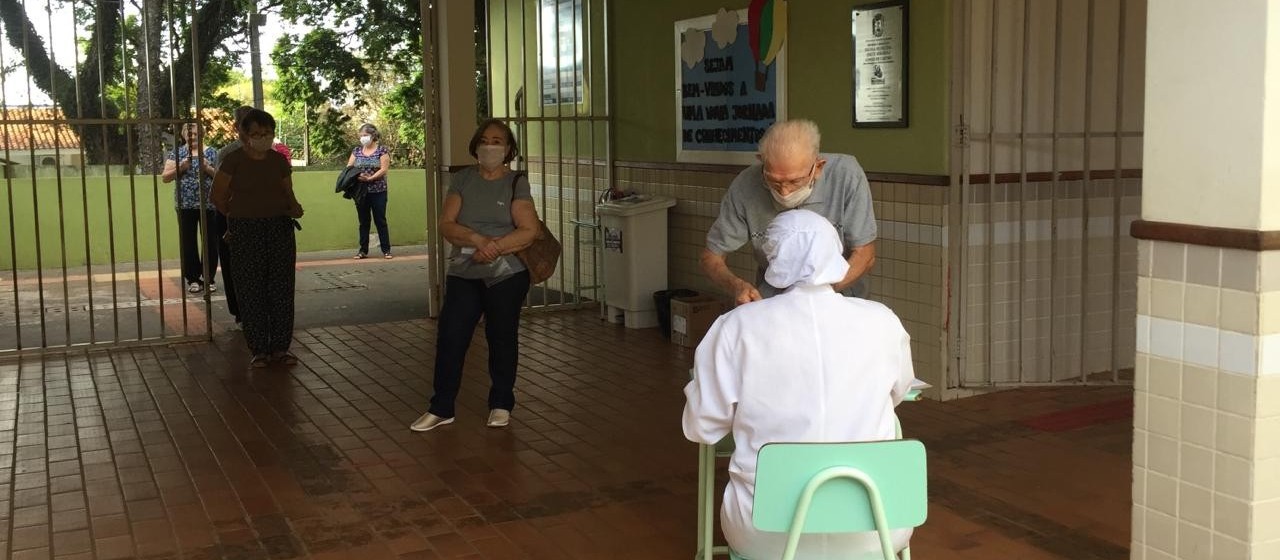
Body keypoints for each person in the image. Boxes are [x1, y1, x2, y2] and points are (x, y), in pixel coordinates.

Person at [683, 209, 916, 560]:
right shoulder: (882, 321)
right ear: (835, 254)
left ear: (773, 259)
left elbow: (703, 427)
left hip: (765, 533)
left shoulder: (736, 327)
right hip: (878, 527)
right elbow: (899, 391)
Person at [411, 118, 541, 432]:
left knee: (501, 336)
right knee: (451, 336)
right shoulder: (463, 179)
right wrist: (477, 240)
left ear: (508, 149)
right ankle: (441, 406)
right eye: (485, 139)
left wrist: (494, 247)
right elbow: (446, 224)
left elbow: (529, 230)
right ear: (475, 145)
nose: (490, 146)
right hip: (464, 271)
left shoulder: (516, 182)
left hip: (507, 273)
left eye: (498, 141)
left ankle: (500, 403)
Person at [701, 119, 877, 305]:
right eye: (774, 182)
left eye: (794, 182)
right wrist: (737, 286)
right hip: (773, 301)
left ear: (818, 167)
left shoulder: (846, 175)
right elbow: (710, 257)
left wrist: (819, 295)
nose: (784, 192)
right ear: (762, 163)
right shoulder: (745, 185)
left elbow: (866, 254)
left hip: (841, 297)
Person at [211, 109, 304, 368]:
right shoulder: (232, 161)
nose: (262, 138)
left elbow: (288, 193)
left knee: (281, 288)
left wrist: (294, 208)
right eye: (255, 134)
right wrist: (237, 215)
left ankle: (280, 348)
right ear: (242, 135)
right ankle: (259, 349)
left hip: (278, 228)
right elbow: (217, 196)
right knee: (251, 289)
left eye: (267, 133)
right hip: (244, 230)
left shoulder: (278, 161)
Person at [161, 122, 220, 294]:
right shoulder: (177, 153)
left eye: (194, 133)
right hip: (185, 204)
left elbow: (221, 176)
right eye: (188, 133)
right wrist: (182, 167)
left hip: (209, 203)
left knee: (210, 241)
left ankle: (208, 279)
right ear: (183, 135)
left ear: (202, 134)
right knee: (188, 242)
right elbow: (165, 177)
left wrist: (207, 168)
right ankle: (193, 279)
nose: (191, 136)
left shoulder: (212, 152)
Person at [212, 105, 255, 329]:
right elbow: (219, 192)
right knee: (232, 265)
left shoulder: (270, 153)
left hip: (260, 217)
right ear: (236, 126)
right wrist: (229, 216)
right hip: (231, 216)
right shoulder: (227, 153)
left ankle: (255, 310)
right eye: (246, 123)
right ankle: (240, 311)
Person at [348, 123, 393, 259]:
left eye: (365, 135)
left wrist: (372, 178)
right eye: (361, 136)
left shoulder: (382, 150)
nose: (363, 138)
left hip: (378, 190)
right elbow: (349, 168)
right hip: (361, 191)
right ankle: (363, 250)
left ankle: (386, 250)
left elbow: (384, 169)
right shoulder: (356, 151)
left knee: (380, 220)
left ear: (373, 136)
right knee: (363, 221)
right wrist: (358, 176)